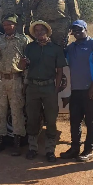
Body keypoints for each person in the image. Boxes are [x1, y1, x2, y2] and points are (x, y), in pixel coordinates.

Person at [21, 20, 67, 162]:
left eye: (42, 30)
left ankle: (50, 150)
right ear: (34, 33)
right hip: (33, 87)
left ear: (47, 32)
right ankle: (32, 148)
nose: (39, 33)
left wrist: (56, 88)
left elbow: (59, 71)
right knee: (32, 119)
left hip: (49, 88)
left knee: (51, 119)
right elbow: (22, 67)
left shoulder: (56, 49)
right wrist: (23, 62)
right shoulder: (29, 48)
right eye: (37, 31)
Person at [60, 20, 93, 162]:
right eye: (74, 30)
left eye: (79, 29)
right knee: (75, 120)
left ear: (86, 29)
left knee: (90, 121)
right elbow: (61, 58)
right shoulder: (71, 47)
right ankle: (74, 149)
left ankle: (88, 150)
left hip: (91, 90)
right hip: (75, 90)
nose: (77, 32)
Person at [0, 14, 29, 156]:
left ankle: (17, 143)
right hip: (1, 80)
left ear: (15, 25)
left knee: (16, 111)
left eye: (9, 24)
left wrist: (25, 82)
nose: (7, 27)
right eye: (5, 25)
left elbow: (27, 62)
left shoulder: (23, 40)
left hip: (16, 79)